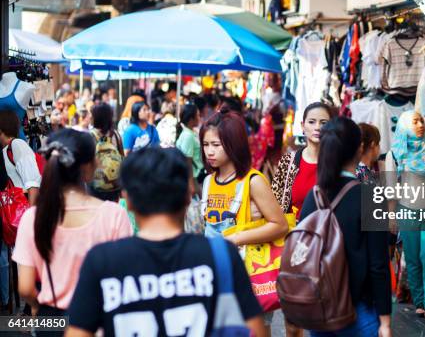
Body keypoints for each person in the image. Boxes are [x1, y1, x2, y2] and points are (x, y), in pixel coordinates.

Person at [65, 147, 265, 336]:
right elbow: (255, 330)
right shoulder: (221, 255)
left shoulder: (101, 262)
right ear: (188, 195)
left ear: (128, 200)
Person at [12, 129, 132, 321]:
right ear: (87, 167)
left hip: (51, 319)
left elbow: (25, 288)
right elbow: (125, 278)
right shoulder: (114, 214)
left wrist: (36, 308)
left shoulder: (32, 218)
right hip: (100, 318)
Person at [200, 108, 288, 336]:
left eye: (216, 145)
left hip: (249, 272)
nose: (209, 151)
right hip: (216, 271)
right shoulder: (209, 181)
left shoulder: (253, 181)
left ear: (234, 144)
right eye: (206, 144)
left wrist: (236, 237)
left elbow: (280, 225)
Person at [300, 117, 392, 337]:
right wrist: (385, 322)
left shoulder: (313, 196)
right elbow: (378, 265)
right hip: (358, 311)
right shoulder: (370, 197)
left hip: (320, 309)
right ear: (360, 148)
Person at [384, 110, 425, 323]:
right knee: (412, 258)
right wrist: (392, 217)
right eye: (415, 122)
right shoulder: (395, 154)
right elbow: (391, 188)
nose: (421, 124)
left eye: (421, 120)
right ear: (404, 126)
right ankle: (419, 302)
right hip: (407, 210)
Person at [271, 102, 332, 218]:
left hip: (329, 233)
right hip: (295, 232)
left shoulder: (341, 162)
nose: (317, 127)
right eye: (312, 122)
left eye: (323, 123)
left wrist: (377, 170)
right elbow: (274, 205)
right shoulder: (288, 162)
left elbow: (373, 206)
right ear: (303, 126)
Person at [0, 110, 41, 205]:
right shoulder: (5, 150)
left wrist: (31, 216)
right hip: (14, 212)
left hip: (23, 211)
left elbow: (33, 183)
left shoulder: (17, 145)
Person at [89, 103, 124, 202]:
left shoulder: (90, 136)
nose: (90, 117)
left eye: (92, 114)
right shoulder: (116, 135)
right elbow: (122, 157)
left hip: (95, 184)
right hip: (114, 183)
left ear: (97, 117)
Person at [176, 103, 203, 192]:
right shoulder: (188, 136)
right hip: (194, 176)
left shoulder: (191, 132)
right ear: (191, 119)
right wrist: (190, 183)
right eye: (198, 115)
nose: (199, 118)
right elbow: (188, 160)